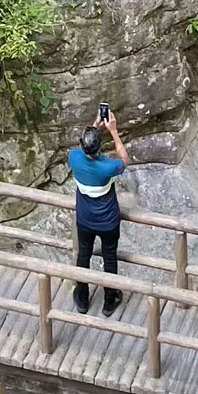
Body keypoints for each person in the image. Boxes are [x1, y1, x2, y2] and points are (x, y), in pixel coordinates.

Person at [67, 109, 130, 315]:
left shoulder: (74, 158)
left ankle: (83, 299)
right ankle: (109, 301)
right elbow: (124, 159)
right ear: (98, 147)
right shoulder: (107, 168)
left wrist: (94, 126)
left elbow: (81, 149)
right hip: (108, 221)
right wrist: (113, 131)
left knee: (83, 255)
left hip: (85, 220)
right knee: (109, 258)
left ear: (82, 146)